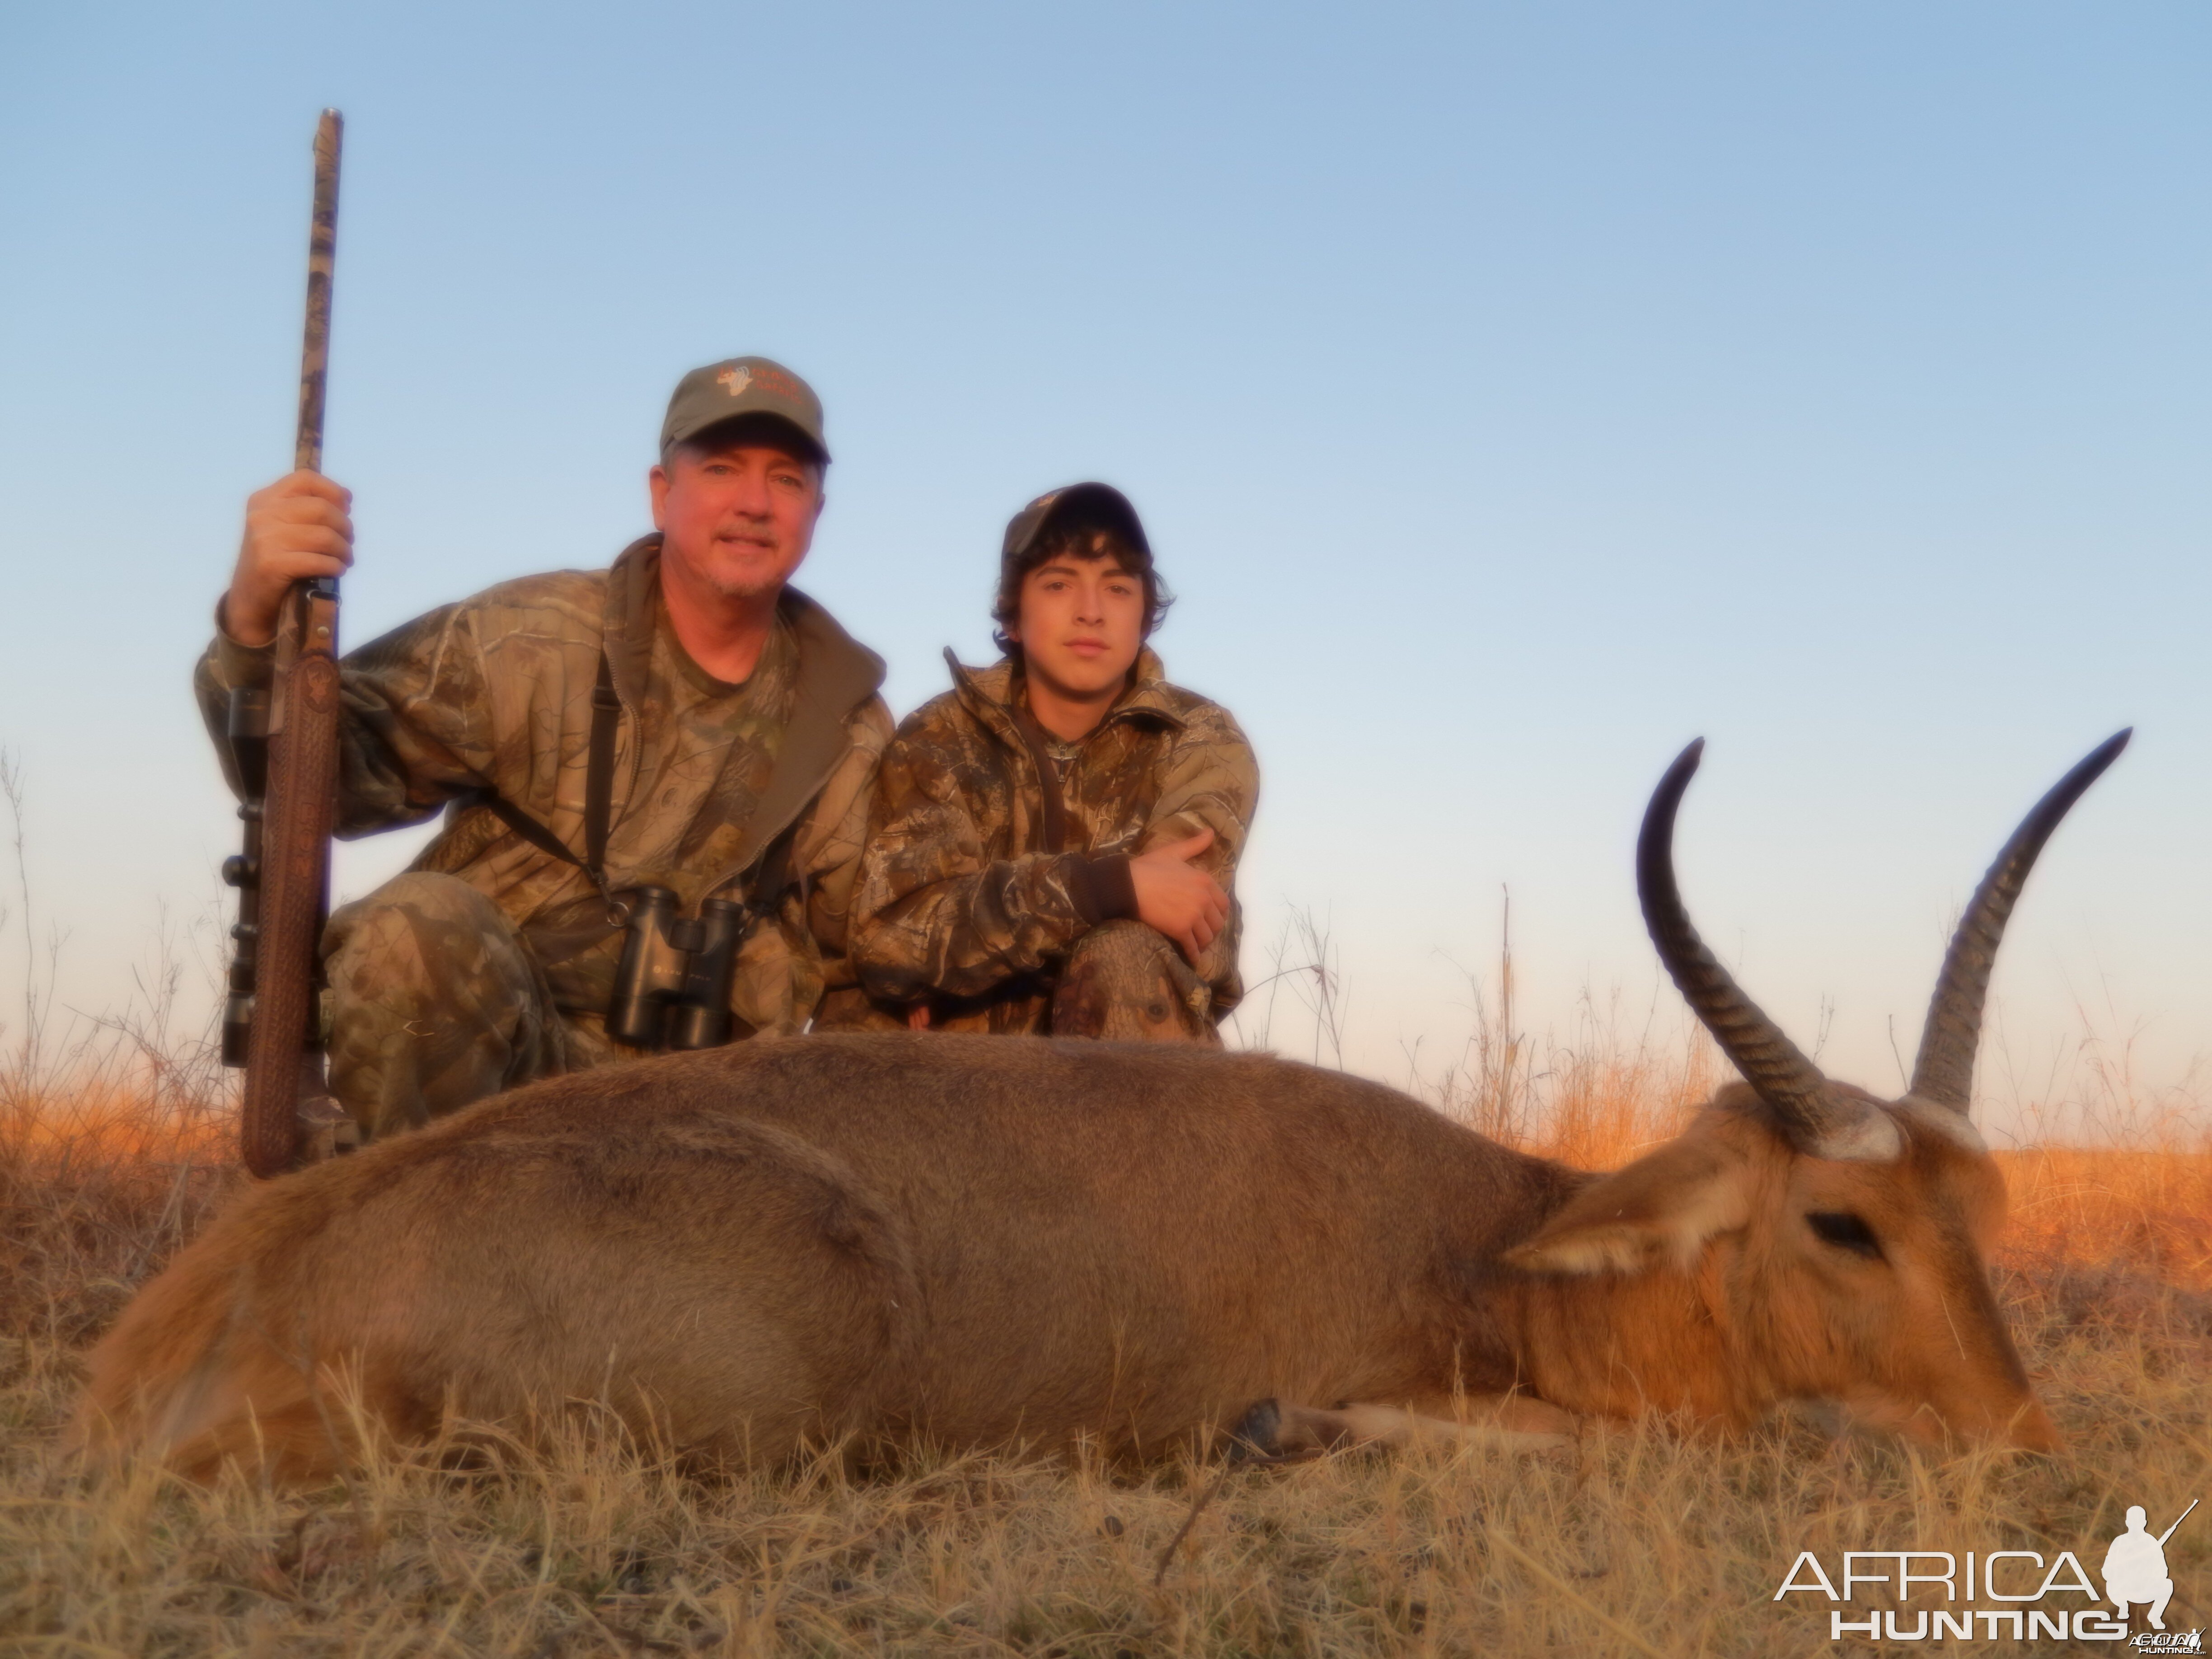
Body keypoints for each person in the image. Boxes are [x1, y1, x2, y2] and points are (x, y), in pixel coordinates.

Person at [198, 357, 892, 1140]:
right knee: (411, 930)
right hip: (497, 1084)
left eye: (788, 480)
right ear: (663, 493)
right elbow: (325, 784)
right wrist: (255, 623)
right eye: (722, 468)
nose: (755, 503)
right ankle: (411, 1238)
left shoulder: (852, 725)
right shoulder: (527, 637)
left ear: (817, 510)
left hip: (709, 1125)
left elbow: (858, 974)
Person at [824, 483, 1257, 1041]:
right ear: (1013, 618)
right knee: (865, 1015)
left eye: (1118, 589)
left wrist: (961, 958)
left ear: (1144, 619)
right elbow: (891, 944)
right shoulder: (938, 735)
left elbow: (1179, 918)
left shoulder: (1201, 740)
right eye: (1058, 584)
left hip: (1119, 1071)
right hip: (966, 1077)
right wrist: (1101, 889)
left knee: (1125, 956)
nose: (1091, 612)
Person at [2102, 1505, 2177, 1630]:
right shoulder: (2119, 1542)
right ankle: (2123, 1607)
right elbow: (2107, 1569)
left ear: (2145, 1523)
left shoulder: (2152, 1543)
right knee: (2110, 1584)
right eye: (2132, 1521)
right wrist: (2122, 1571)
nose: (2136, 1524)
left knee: (2168, 1585)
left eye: (2139, 1521)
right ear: (2127, 1523)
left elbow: (2163, 1570)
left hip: (2145, 1589)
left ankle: (2155, 1616)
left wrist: (2148, 1573)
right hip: (2123, 1589)